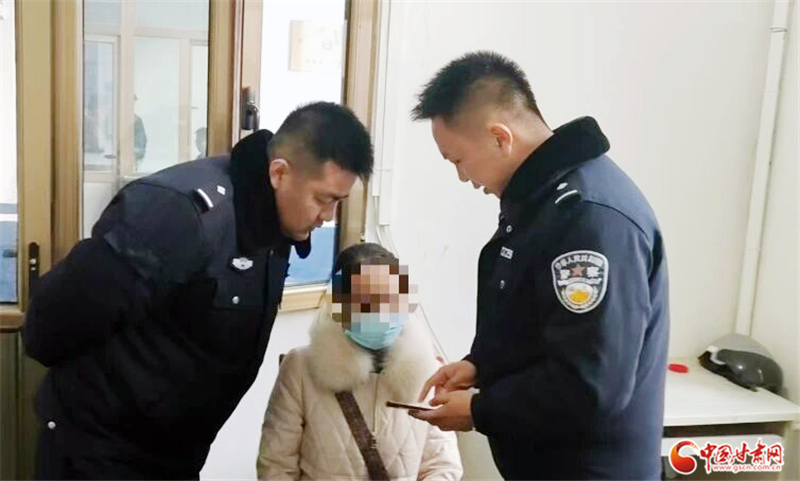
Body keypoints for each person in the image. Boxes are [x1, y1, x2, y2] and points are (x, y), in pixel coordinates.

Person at [22, 101, 374, 479]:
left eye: (338, 203)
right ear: (279, 173)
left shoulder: (272, 226)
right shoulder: (179, 213)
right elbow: (50, 325)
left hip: (171, 458)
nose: (327, 217)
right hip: (97, 454)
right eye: (324, 199)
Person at [409, 51, 669, 480]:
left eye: (457, 160)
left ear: (500, 137)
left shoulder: (590, 217)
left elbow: (589, 385)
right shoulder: (539, 202)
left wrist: (479, 410)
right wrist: (481, 365)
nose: (463, 177)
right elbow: (540, 323)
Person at [257, 243, 463, 481]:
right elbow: (275, 466)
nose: (379, 311)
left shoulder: (430, 371)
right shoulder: (301, 368)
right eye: (365, 301)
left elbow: (443, 466)